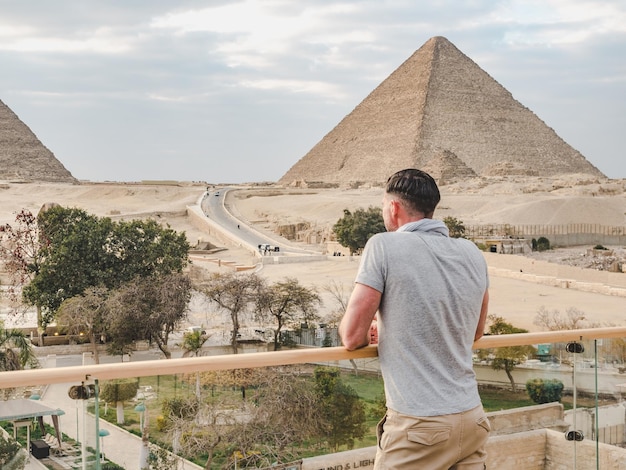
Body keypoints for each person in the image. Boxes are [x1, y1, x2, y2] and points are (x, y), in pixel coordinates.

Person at [339, 168, 490, 469]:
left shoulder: (383, 245)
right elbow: (476, 331)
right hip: (472, 419)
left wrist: (372, 327)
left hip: (420, 427)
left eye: (383, 206)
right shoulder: (471, 252)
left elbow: (352, 336)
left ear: (393, 208)